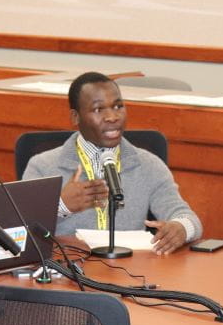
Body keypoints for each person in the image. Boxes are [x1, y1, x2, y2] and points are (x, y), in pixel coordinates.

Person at [23, 72, 202, 255]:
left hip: (130, 274)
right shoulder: (42, 166)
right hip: (69, 273)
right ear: (76, 117)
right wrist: (61, 206)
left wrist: (181, 228)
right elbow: (20, 230)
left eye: (118, 106)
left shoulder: (148, 165)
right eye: (98, 109)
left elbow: (189, 218)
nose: (112, 117)